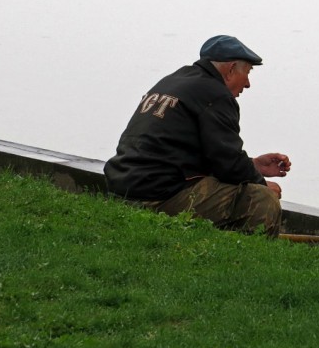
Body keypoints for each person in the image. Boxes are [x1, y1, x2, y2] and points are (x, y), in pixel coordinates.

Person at [104, 35, 291, 236]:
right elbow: (228, 163)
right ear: (230, 69)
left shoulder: (173, 80)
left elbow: (203, 152)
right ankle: (246, 258)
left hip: (124, 186)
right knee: (261, 199)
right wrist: (262, 184)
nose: (247, 84)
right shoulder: (216, 94)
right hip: (156, 196)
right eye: (247, 72)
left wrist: (254, 165)